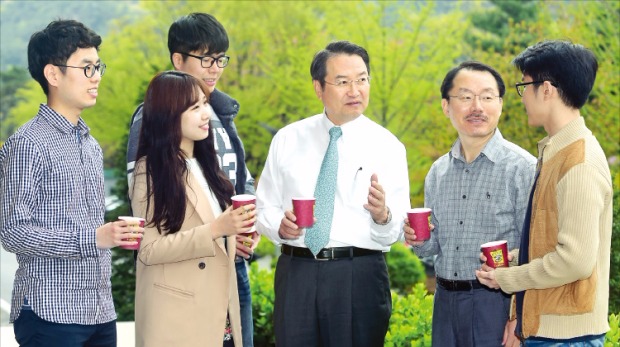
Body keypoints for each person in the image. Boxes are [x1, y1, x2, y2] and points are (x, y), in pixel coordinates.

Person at [256, 40, 410, 347]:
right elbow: (265, 207)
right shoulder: (288, 139)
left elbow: (395, 230)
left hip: (359, 274)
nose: (355, 90)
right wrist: (279, 226)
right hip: (296, 270)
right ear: (319, 87)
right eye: (342, 82)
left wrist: (383, 215)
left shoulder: (388, 145)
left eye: (362, 79)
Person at [0, 19, 143, 346]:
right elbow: (12, 231)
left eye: (98, 67)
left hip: (99, 311)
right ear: (53, 74)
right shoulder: (28, 144)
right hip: (50, 312)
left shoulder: (90, 145)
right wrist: (92, 238)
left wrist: (109, 234)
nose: (97, 77)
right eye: (87, 68)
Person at [125, 13, 258, 346]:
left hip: (229, 266)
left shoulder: (219, 118)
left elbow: (241, 181)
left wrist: (242, 232)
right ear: (178, 59)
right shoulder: (152, 124)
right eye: (206, 59)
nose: (215, 68)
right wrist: (218, 230)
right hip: (184, 284)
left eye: (220, 59)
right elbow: (149, 228)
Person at [476, 40, 612, 346]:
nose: (522, 98)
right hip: (548, 331)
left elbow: (575, 260)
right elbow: (552, 240)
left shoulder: (579, 162)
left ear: (547, 90)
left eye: (524, 87)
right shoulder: (557, 152)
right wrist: (516, 259)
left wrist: (507, 279)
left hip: (567, 337)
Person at [403, 61, 537, 346]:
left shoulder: (523, 168)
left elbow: (536, 248)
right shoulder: (437, 172)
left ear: (500, 104)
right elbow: (430, 248)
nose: (477, 106)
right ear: (446, 106)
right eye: (465, 97)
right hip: (445, 302)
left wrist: (519, 316)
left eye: (487, 97)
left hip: (497, 304)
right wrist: (417, 239)